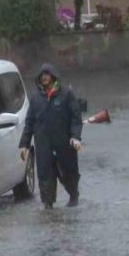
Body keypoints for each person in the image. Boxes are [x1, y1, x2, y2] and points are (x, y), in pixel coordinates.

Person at [19, 63, 83, 208]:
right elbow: (29, 123)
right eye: (42, 75)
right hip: (44, 146)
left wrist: (75, 137)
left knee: (68, 172)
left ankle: (73, 195)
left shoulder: (66, 94)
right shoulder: (36, 99)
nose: (44, 77)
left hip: (64, 145)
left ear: (53, 76)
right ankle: (48, 204)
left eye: (47, 74)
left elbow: (76, 117)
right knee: (45, 176)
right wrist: (24, 144)